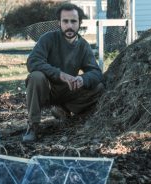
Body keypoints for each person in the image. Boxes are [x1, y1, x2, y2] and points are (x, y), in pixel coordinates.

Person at [22, 3, 104, 143]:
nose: (69, 25)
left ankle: (62, 109)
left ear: (79, 23)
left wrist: (82, 79)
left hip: (69, 91)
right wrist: (60, 74)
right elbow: (33, 62)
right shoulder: (48, 38)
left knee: (99, 87)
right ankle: (33, 126)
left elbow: (96, 72)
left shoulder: (83, 45)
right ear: (59, 23)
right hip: (47, 90)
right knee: (35, 76)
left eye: (73, 21)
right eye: (65, 21)